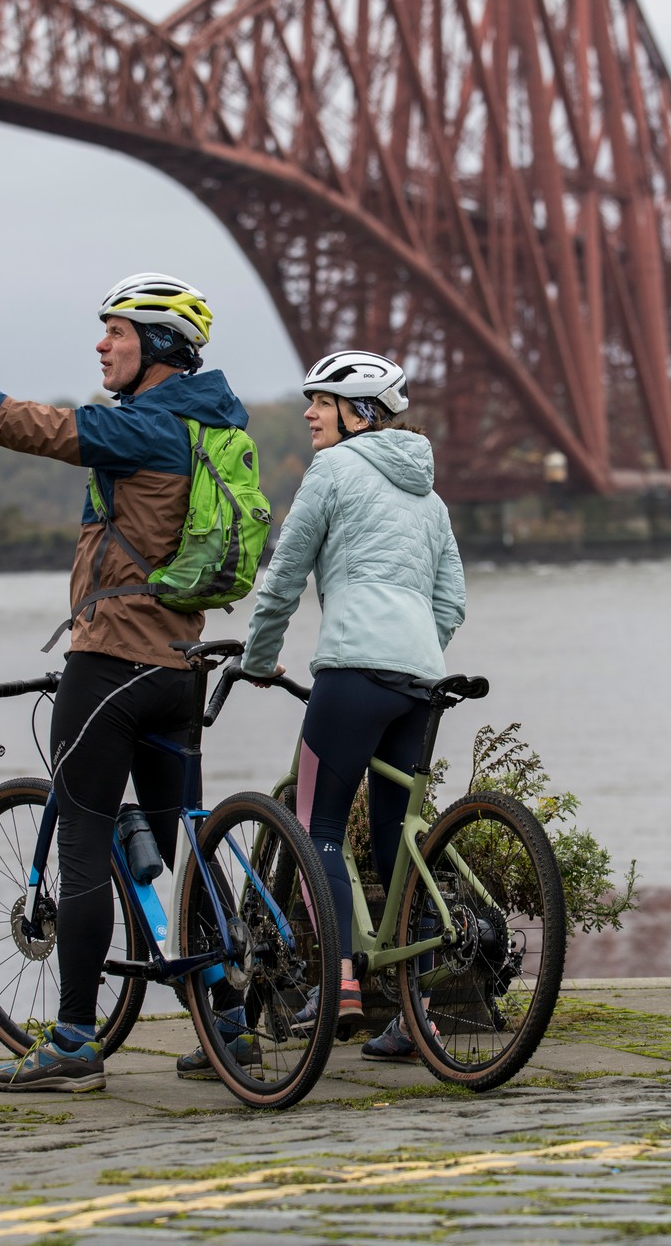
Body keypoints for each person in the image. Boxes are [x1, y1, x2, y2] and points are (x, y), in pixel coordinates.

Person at [0, 273, 246, 1092]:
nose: (101, 344)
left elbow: (9, 422)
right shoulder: (214, 426)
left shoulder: (142, 427)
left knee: (84, 850)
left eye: (117, 333)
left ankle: (73, 1038)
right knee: (188, 846)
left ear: (160, 347)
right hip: (180, 668)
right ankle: (231, 1030)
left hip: (108, 666)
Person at [240, 350, 467, 1062]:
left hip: (352, 671)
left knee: (320, 827)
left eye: (322, 401)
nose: (309, 411)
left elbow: (283, 574)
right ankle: (416, 1013)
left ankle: (337, 982)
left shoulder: (334, 472)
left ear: (359, 413)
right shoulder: (431, 500)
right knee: (406, 844)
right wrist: (413, 652)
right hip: (421, 681)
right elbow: (451, 601)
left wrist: (255, 657)